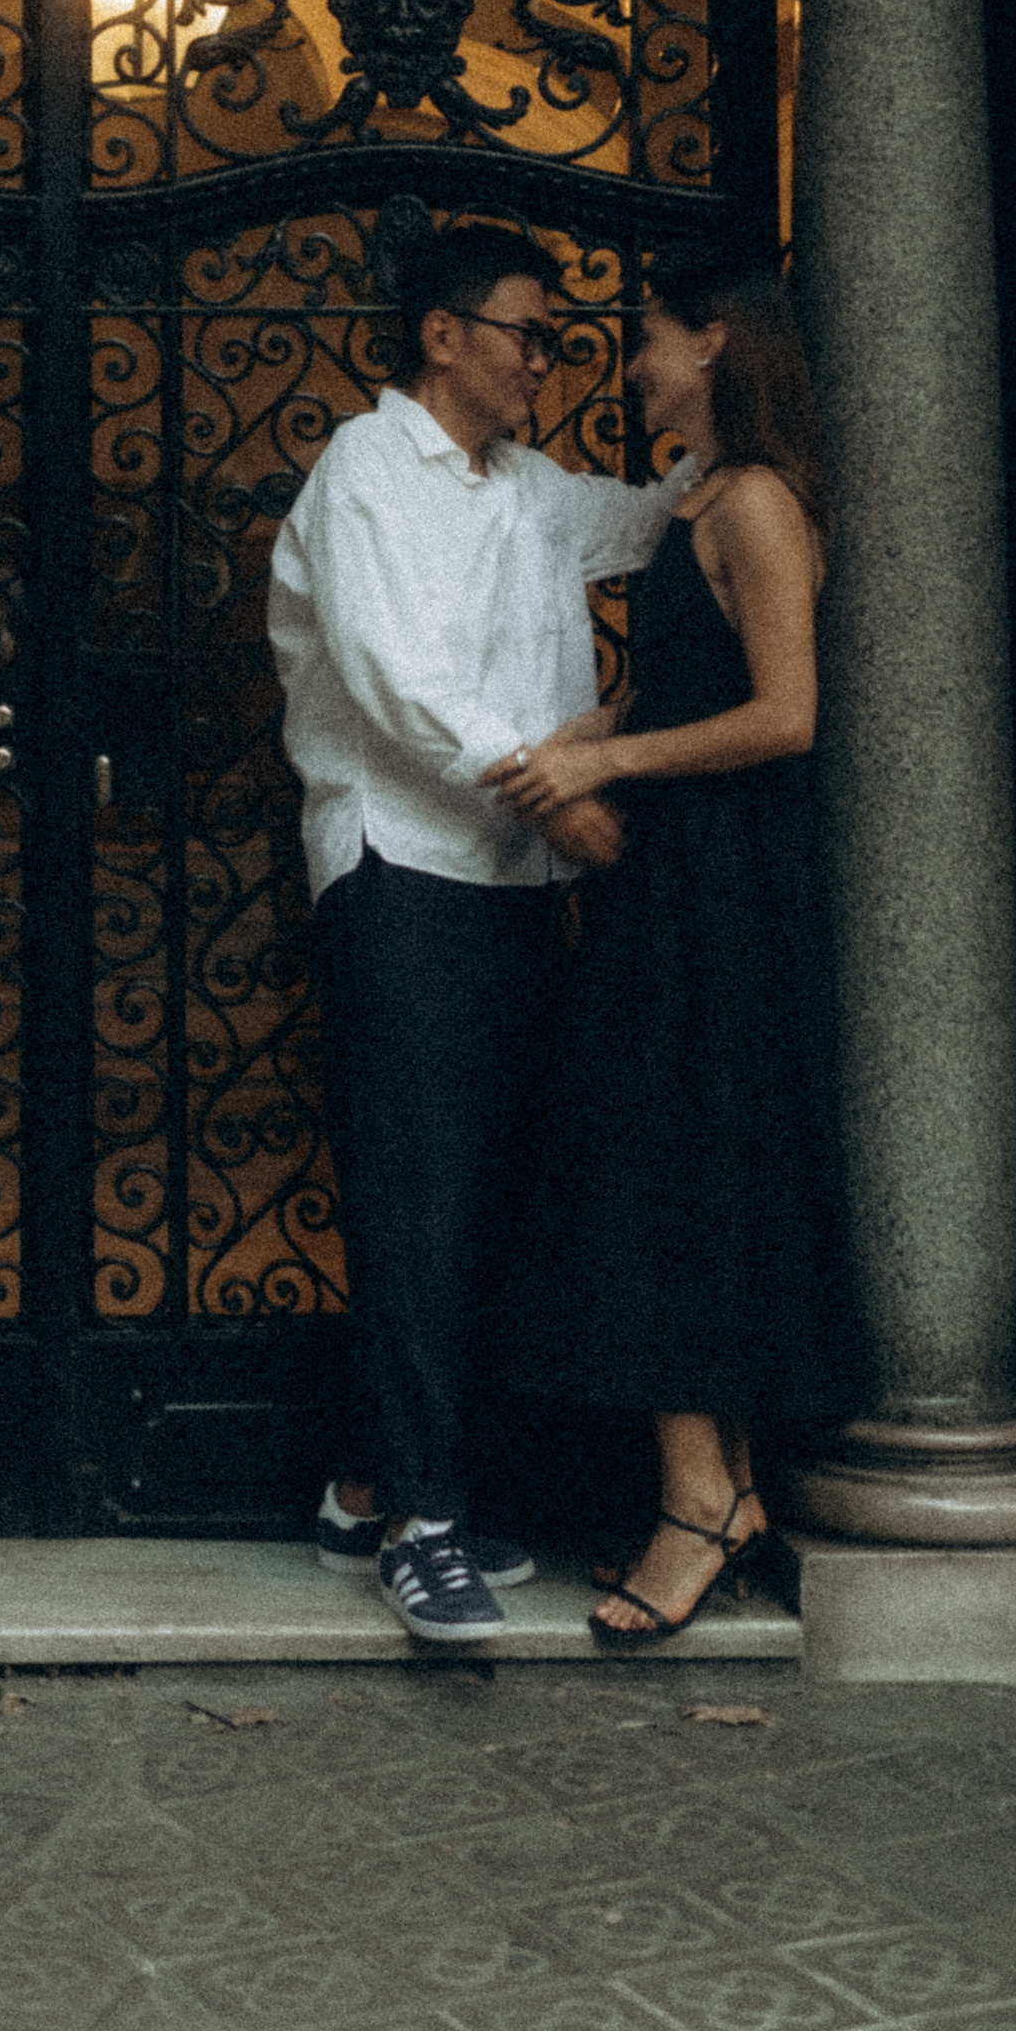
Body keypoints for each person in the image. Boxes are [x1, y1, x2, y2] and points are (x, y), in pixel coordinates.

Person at [270, 222, 694, 1643]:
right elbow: (397, 679)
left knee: (486, 1199)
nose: (547, 362)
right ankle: (426, 1526)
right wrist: (558, 791)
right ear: (442, 335)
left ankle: (361, 1489)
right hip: (404, 870)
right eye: (530, 334)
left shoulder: (529, 488)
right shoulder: (366, 470)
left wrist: (731, 410)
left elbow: (650, 523)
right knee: (420, 1198)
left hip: (514, 884)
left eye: (561, 340)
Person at [483, 255, 862, 1645]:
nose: (630, 366)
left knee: (667, 1180)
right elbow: (668, 689)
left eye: (645, 339)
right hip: (678, 887)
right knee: (678, 1172)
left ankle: (697, 1503)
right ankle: (725, 1490)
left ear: (712, 342)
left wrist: (613, 759)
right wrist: (563, 744)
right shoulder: (699, 496)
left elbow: (786, 714)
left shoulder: (755, 501)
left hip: (729, 892)